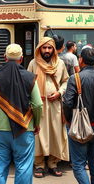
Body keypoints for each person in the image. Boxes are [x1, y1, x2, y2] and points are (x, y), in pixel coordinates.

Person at [0, 44, 43, 184]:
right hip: (24, 128)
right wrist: (36, 123)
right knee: (23, 165)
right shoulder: (29, 78)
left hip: (0, 129)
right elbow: (37, 104)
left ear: (5, 58)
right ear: (21, 59)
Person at [28, 37, 69, 178]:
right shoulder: (33, 63)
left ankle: (53, 163)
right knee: (39, 135)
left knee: (55, 134)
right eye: (44, 48)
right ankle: (39, 165)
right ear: (40, 48)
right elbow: (28, 83)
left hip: (55, 105)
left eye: (49, 48)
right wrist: (35, 97)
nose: (46, 50)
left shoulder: (60, 63)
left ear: (53, 49)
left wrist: (59, 93)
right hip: (38, 106)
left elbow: (66, 81)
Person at [63, 47, 94, 184]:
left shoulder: (75, 78)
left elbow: (68, 103)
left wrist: (68, 121)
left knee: (78, 164)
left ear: (81, 60)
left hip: (80, 126)